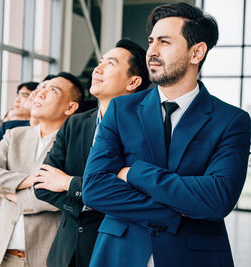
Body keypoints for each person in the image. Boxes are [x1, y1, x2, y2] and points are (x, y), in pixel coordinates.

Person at [82, 2, 251, 267]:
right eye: (151, 41)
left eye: (164, 42)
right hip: (119, 255)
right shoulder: (121, 109)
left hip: (194, 257)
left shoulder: (231, 120)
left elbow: (217, 198)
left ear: (197, 52)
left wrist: (135, 172)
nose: (152, 51)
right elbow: (94, 189)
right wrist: (173, 212)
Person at [33, 39, 150, 267]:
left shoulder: (144, 130)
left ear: (133, 81)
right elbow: (42, 185)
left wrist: (70, 184)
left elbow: (135, 193)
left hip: (114, 249)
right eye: (100, 62)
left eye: (111, 63)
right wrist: (87, 203)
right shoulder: (75, 124)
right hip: (65, 252)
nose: (98, 68)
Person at [0, 72, 85, 267]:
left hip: (45, 256)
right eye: (41, 88)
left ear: (70, 107)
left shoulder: (76, 145)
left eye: (52, 90)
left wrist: (9, 191)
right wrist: (30, 180)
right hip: (0, 254)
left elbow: (67, 196)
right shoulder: (14, 135)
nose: (40, 94)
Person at [0, 76, 56, 241]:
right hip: (2, 222)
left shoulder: (62, 137)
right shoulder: (10, 129)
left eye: (26, 94)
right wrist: (30, 180)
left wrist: (7, 188)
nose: (36, 95)